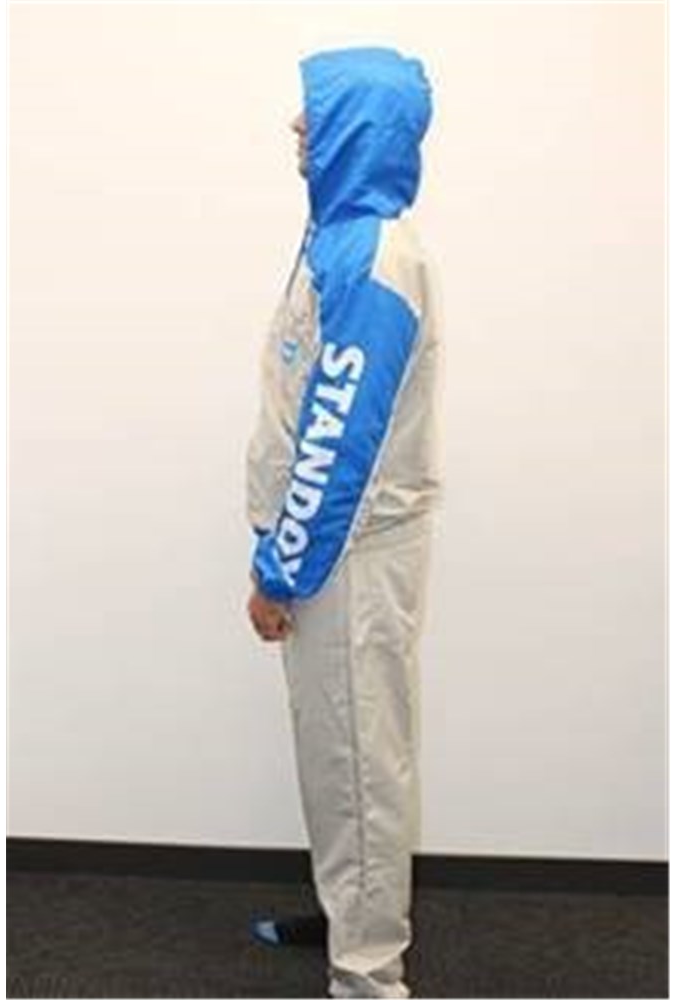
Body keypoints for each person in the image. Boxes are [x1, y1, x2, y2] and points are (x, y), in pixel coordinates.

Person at [245, 45, 440, 999]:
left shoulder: (370, 261)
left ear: (356, 128)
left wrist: (279, 572)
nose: (296, 126)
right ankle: (348, 915)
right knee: (339, 756)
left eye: (312, 113)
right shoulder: (340, 238)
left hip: (343, 559)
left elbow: (336, 445)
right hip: (327, 552)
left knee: (359, 766)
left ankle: (368, 975)